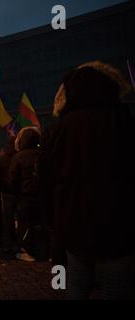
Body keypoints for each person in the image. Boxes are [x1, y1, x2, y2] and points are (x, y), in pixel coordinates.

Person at [38, 62, 135, 299]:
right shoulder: (127, 123)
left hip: (73, 230)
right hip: (119, 231)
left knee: (76, 289)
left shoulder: (57, 129)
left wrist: (55, 223)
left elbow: (45, 183)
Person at [9, 127, 43, 262]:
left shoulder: (18, 157)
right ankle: (44, 251)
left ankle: (27, 251)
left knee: (25, 224)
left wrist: (16, 193)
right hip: (41, 195)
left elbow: (13, 178)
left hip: (25, 196)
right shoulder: (41, 154)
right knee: (40, 223)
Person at [0, 136, 17, 253]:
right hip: (17, 192)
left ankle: (7, 243)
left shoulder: (2, 158)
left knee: (7, 219)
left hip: (6, 192)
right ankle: (15, 242)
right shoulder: (16, 156)